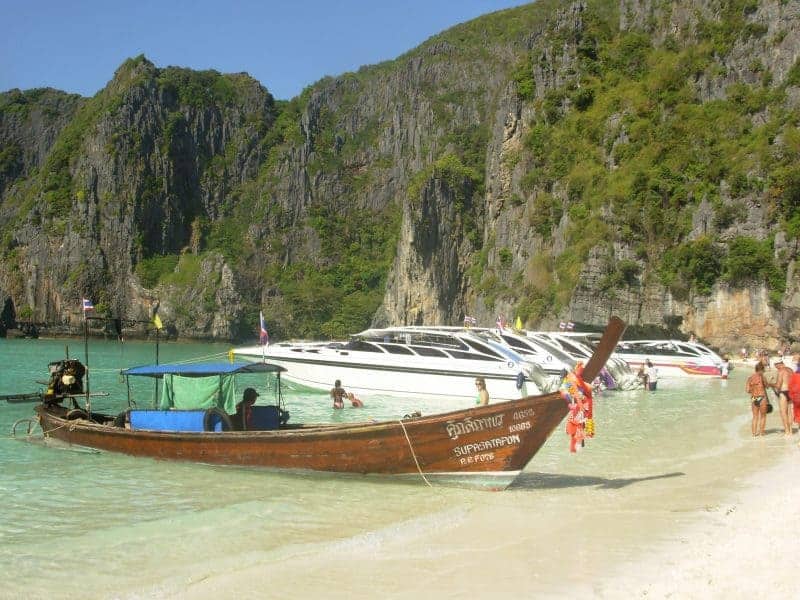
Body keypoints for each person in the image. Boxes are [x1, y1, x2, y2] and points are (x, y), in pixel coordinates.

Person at [745, 362, 769, 436]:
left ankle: (754, 434)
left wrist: (753, 389)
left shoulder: (750, 378)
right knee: (763, 416)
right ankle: (761, 433)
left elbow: (747, 390)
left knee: (755, 417)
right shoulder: (762, 377)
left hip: (754, 398)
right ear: (761, 370)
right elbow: (767, 386)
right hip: (762, 397)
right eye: (763, 370)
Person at [774, 359, 794, 437]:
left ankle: (787, 431)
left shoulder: (781, 371)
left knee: (783, 412)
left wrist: (771, 384)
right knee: (790, 412)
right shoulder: (790, 370)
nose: (776, 368)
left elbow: (778, 385)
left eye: (776, 366)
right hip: (791, 392)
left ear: (778, 364)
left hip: (783, 392)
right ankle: (791, 431)